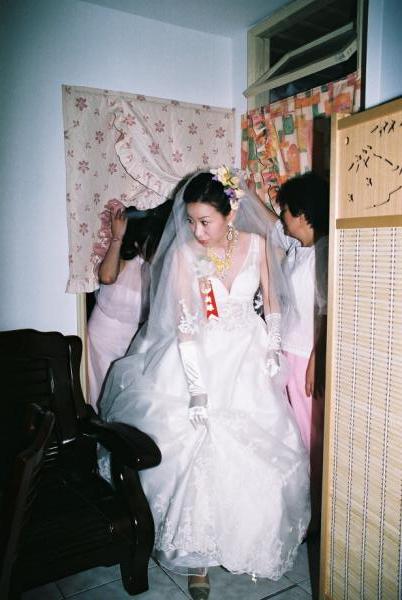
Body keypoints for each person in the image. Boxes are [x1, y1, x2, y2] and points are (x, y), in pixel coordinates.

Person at [99, 167, 310, 599]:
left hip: (249, 356)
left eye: (204, 221)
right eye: (191, 221)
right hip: (199, 356)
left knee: (256, 457)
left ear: (230, 213)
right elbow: (185, 326)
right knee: (197, 453)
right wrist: (196, 389)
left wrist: (273, 346)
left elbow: (272, 301)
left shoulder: (257, 245)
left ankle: (245, 541)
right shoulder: (184, 256)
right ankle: (197, 557)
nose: (196, 231)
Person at [269, 172, 329, 539]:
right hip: (288, 351)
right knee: (293, 435)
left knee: (310, 439)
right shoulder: (298, 249)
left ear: (303, 214)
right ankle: (302, 510)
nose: (282, 218)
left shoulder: (324, 251)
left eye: (286, 211)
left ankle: (318, 517)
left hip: (306, 355)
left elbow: (328, 312)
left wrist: (316, 359)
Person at [87, 200, 172, 410]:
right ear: (138, 244)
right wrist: (117, 237)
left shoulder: (158, 270)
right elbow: (106, 277)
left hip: (132, 339)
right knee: (99, 392)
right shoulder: (125, 260)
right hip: (102, 336)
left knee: (123, 393)